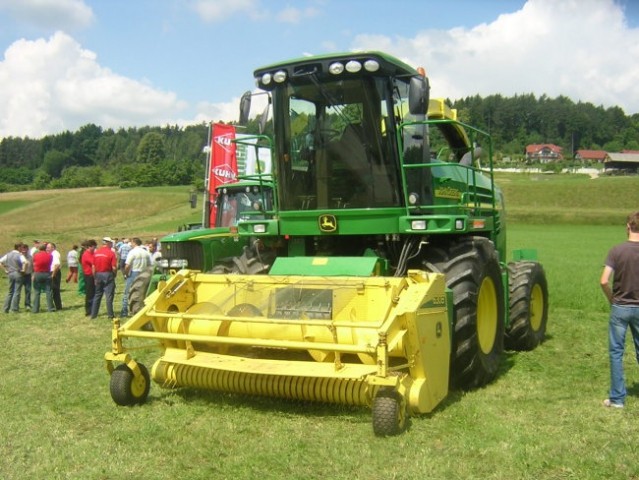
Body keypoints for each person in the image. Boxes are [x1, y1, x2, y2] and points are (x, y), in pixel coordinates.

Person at [600, 211, 639, 408]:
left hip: (620, 307)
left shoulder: (616, 251)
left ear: (627, 226)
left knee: (616, 352)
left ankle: (617, 399)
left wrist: (612, 299)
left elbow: (604, 280)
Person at [120, 237, 152, 317]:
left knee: (127, 292)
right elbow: (149, 265)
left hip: (134, 272)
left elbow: (127, 265)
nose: (130, 244)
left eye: (131, 243)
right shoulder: (146, 252)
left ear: (134, 243)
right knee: (142, 292)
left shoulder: (132, 252)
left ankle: (124, 311)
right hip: (144, 273)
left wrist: (126, 274)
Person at [90, 237, 117, 320]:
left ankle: (94, 314)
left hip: (98, 274)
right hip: (108, 274)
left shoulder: (96, 252)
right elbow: (114, 267)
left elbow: (93, 267)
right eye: (111, 243)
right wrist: (114, 275)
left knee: (97, 294)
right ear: (108, 243)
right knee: (109, 296)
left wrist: (94, 277)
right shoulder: (111, 253)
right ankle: (110, 315)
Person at [1, 243, 26, 313]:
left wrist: (5, 269)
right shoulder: (19, 255)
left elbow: (0, 262)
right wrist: (23, 270)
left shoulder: (8, 254)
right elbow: (25, 262)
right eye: (21, 247)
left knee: (10, 291)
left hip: (10, 273)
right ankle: (14, 308)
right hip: (18, 273)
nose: (22, 249)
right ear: (18, 248)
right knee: (17, 291)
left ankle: (6, 308)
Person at [32, 244, 54, 313]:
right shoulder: (50, 256)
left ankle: (35, 309)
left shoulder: (35, 255)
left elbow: (34, 264)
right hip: (47, 273)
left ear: (39, 249)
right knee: (48, 291)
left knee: (37, 292)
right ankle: (50, 308)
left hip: (38, 273)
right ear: (45, 249)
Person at [81, 240, 97, 316]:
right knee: (90, 294)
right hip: (89, 276)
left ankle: (93, 309)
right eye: (94, 247)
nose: (95, 248)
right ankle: (89, 311)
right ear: (90, 246)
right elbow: (94, 262)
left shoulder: (92, 253)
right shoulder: (86, 254)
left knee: (93, 293)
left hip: (92, 275)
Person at [47, 242, 63, 311]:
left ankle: (58, 306)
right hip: (53, 272)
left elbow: (57, 264)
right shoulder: (52, 254)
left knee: (55, 290)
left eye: (48, 247)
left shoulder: (55, 254)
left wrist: (53, 274)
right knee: (54, 290)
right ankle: (58, 306)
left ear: (53, 248)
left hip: (54, 272)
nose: (47, 249)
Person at [20, 242, 33, 311]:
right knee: (17, 290)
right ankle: (15, 304)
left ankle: (27, 304)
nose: (24, 250)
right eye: (23, 249)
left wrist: (33, 274)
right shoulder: (18, 256)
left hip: (28, 275)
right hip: (20, 276)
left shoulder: (30, 257)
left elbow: (32, 266)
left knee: (28, 290)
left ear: (28, 249)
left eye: (26, 248)